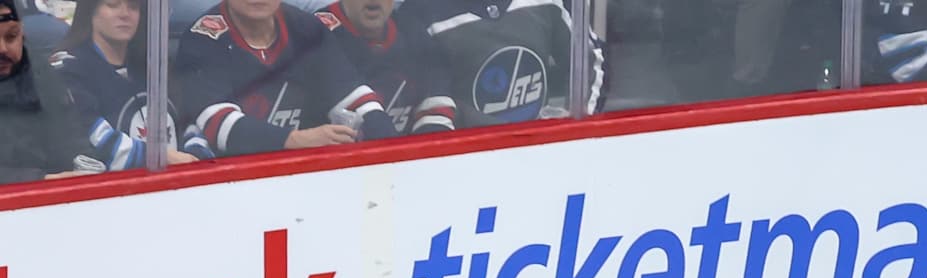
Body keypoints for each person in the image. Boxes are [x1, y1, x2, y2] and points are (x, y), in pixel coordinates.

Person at [173, 0, 396, 157]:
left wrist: (391, 145)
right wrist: (298, 140)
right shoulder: (202, 39)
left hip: (304, 175)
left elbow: (355, 96)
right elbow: (220, 126)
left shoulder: (306, 27)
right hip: (229, 183)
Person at [395, 0, 606, 127]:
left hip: (540, 151)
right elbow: (420, 103)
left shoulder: (550, 2)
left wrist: (574, 127)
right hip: (464, 161)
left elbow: (590, 60)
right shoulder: (418, 14)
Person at [51, 0, 208, 170]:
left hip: (179, 185)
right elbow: (91, 141)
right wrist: (162, 157)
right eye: (112, 5)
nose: (125, 14)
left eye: (133, 6)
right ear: (91, 11)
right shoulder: (68, 69)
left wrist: (197, 157)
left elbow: (189, 121)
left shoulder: (155, 65)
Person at [315, 0, 453, 134]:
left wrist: (430, 145)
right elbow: (371, 124)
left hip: (407, 151)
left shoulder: (411, 30)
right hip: (343, 153)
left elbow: (436, 99)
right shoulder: (317, 31)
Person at [0, 0, 97, 183]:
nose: (3, 49)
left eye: (11, 36)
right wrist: (40, 179)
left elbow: (71, 135)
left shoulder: (40, 73)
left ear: (22, 33)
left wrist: (85, 168)